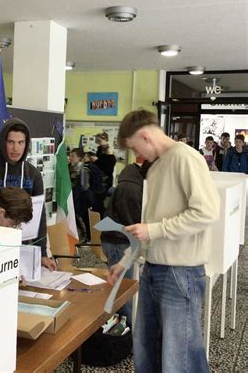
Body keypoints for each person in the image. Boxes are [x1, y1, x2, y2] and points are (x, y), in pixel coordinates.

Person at [108, 109, 220, 373]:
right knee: (147, 350)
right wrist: (125, 261)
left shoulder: (185, 158)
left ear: (146, 137)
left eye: (137, 148)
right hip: (154, 270)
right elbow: (147, 228)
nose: (138, 157)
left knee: (178, 358)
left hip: (180, 274)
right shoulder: (157, 166)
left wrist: (154, 230)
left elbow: (206, 211)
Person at [0, 118, 57, 271]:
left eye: (20, 143)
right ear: (3, 142)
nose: (16, 148)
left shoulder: (33, 175)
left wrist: (42, 252)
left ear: (26, 144)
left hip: (24, 246)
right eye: (11, 142)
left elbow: (40, 215)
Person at [101, 160, 151, 325]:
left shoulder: (135, 181)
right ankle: (127, 338)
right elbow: (134, 224)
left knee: (125, 291)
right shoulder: (132, 188)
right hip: (119, 243)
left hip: (122, 241)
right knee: (124, 294)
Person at [69, 148, 94, 241]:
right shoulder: (72, 168)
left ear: (79, 158)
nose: (70, 158)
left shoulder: (83, 170)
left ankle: (88, 237)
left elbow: (84, 186)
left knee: (84, 217)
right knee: (76, 216)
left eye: (73, 156)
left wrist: (75, 181)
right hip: (77, 197)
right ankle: (83, 234)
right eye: (70, 156)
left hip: (83, 198)